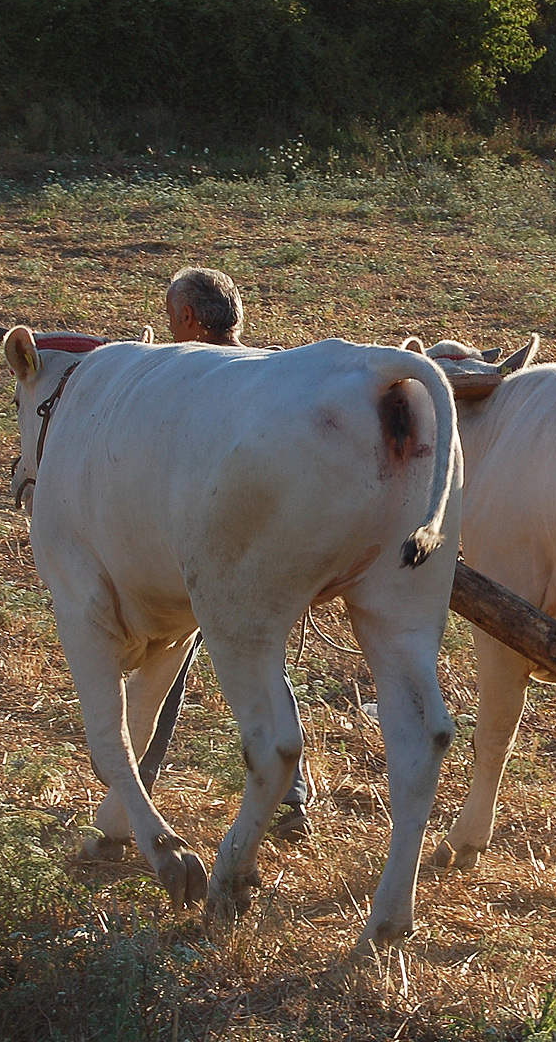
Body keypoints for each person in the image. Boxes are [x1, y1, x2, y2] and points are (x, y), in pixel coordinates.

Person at [138, 267, 314, 841]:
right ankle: (290, 798)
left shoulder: (187, 376)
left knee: (168, 656)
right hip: (288, 531)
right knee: (264, 658)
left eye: (170, 318)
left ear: (187, 319)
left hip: (208, 538)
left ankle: (134, 781)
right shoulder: (279, 368)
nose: (168, 329)